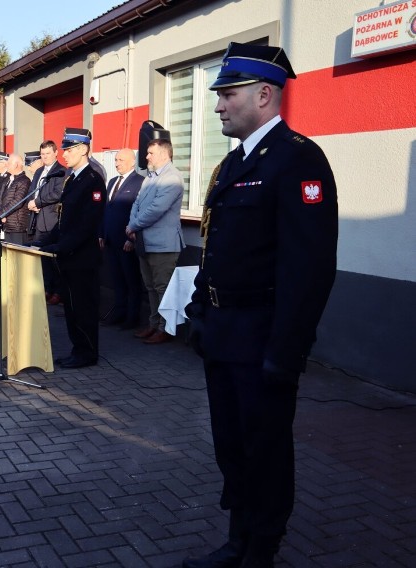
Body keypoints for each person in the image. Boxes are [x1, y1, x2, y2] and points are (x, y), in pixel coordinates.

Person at [182, 43, 338, 568]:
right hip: (224, 332)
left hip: (264, 336)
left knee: (265, 450)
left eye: (227, 94)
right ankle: (237, 541)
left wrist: (287, 350)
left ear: (264, 95)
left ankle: (261, 551)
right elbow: (218, 241)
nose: (219, 105)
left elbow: (309, 268)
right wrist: (201, 309)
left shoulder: (299, 159)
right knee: (231, 444)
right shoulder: (233, 163)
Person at [36, 128, 106, 368]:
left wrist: (59, 246)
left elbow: (86, 225)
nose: (64, 154)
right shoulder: (72, 179)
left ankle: (87, 353)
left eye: (70, 149)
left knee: (83, 308)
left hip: (82, 259)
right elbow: (64, 220)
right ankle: (78, 349)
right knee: (72, 309)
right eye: (64, 149)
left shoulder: (93, 181)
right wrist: (42, 243)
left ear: (84, 149)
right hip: (69, 258)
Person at [125, 137, 184, 344]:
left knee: (163, 288)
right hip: (146, 242)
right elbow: (137, 204)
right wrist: (132, 225)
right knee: (150, 287)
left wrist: (133, 226)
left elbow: (156, 209)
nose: (146, 156)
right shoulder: (150, 177)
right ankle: (153, 324)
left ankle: (165, 329)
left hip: (164, 245)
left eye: (151, 153)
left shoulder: (172, 178)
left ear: (164, 154)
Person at [99, 148, 144, 329]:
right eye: (116, 160)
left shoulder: (140, 182)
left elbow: (139, 213)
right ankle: (119, 312)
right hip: (110, 239)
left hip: (126, 241)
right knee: (117, 280)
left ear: (132, 162)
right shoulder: (111, 182)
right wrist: (101, 233)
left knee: (131, 280)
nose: (117, 163)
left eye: (122, 160)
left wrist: (132, 239)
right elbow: (104, 210)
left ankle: (132, 318)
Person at [27, 140, 66, 304]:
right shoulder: (39, 171)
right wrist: (32, 202)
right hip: (38, 220)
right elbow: (32, 190)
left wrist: (38, 202)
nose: (45, 157)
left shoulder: (61, 171)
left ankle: (58, 291)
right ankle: (47, 288)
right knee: (42, 258)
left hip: (52, 221)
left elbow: (57, 193)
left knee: (54, 259)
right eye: (42, 154)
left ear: (56, 153)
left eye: (48, 153)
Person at [0, 154, 30, 245]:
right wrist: (0, 214)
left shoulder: (24, 181)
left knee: (18, 256)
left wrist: (1, 214)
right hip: (7, 225)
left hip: (17, 226)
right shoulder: (8, 180)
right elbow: (1, 198)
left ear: (16, 165)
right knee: (9, 257)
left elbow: (17, 201)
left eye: (8, 163)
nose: (6, 165)